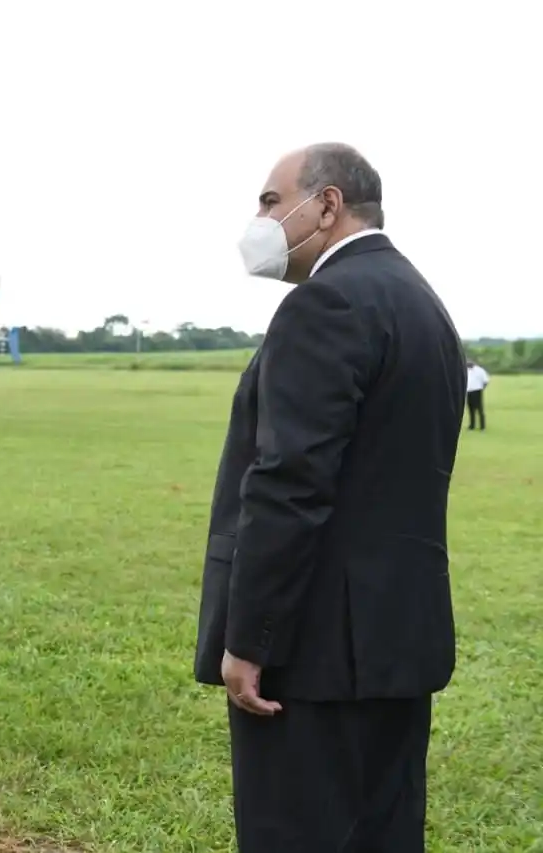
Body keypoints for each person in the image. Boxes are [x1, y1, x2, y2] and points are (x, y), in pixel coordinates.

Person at [194, 142, 466, 852]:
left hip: (313, 655)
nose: (260, 219)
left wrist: (248, 640)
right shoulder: (422, 303)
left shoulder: (326, 301)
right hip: (399, 641)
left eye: (270, 201)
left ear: (328, 205)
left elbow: (289, 482)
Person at [466, 358, 489, 430]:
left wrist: (482, 388)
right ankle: (472, 425)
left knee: (479, 409)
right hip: (468, 391)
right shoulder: (466, 370)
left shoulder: (480, 370)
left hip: (477, 391)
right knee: (470, 409)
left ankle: (482, 426)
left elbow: (486, 381)